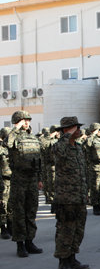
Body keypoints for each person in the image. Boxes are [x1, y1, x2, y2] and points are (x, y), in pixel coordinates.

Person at [52, 116, 89, 269]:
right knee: (65, 230)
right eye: (75, 128)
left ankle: (73, 258)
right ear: (67, 130)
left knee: (78, 230)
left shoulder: (79, 147)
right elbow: (59, 149)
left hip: (79, 196)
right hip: (66, 198)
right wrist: (67, 134)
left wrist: (85, 193)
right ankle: (63, 262)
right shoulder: (60, 146)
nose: (79, 130)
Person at [7, 110, 43, 257]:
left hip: (32, 179)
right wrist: (15, 128)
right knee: (19, 212)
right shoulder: (13, 136)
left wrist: (40, 178)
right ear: (17, 121)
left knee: (31, 211)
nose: (26, 122)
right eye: (23, 120)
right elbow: (7, 143)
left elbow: (39, 160)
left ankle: (30, 241)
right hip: (19, 179)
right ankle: (20, 244)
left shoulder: (33, 138)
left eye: (28, 120)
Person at [84, 123, 100, 216]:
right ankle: (95, 206)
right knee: (95, 188)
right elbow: (86, 147)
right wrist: (92, 134)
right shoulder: (89, 140)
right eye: (98, 130)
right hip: (94, 167)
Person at [0, 127, 12, 239]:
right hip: (2, 181)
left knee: (11, 204)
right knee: (3, 204)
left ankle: (10, 226)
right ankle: (3, 228)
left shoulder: (11, 147)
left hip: (12, 179)